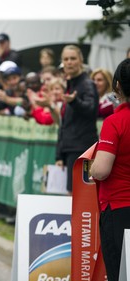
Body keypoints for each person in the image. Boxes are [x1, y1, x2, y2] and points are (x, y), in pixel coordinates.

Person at [90, 58, 130, 281]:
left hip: (119, 206)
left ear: (117, 86)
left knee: (120, 274)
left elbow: (102, 170)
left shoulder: (115, 122)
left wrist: (92, 165)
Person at [55, 44, 99, 195]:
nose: (69, 62)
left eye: (73, 58)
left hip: (82, 149)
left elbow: (91, 109)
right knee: (71, 195)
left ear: (81, 60)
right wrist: (59, 154)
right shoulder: (70, 83)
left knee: (80, 196)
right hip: (70, 149)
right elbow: (64, 123)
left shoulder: (87, 83)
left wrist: (74, 101)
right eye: (66, 59)